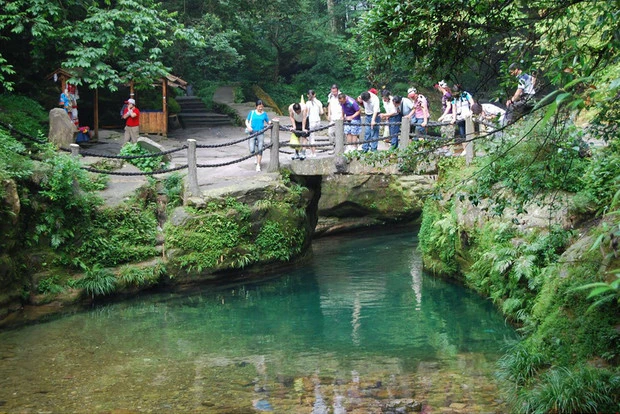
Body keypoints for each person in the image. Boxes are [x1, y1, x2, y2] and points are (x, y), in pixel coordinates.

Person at [246, 99, 271, 171]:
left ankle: (258, 165)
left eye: (262, 107)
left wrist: (271, 122)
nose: (261, 108)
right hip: (252, 132)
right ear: (256, 106)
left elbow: (268, 121)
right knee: (252, 150)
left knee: (260, 149)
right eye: (259, 107)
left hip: (261, 133)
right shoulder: (252, 113)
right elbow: (246, 121)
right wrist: (248, 126)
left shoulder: (264, 114)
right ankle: (257, 158)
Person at [305, 90, 323, 157]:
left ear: (307, 95)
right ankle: (312, 152)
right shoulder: (319, 102)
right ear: (315, 94)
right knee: (312, 136)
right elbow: (321, 112)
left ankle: (313, 153)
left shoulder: (307, 103)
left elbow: (306, 114)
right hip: (318, 121)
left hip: (311, 121)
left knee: (311, 137)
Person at [326, 84, 342, 154]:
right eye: (333, 92)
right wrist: (329, 114)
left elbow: (343, 105)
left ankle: (340, 148)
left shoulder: (341, 96)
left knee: (339, 133)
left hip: (339, 117)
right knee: (330, 132)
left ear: (337, 90)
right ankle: (334, 146)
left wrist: (342, 115)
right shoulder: (330, 95)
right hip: (333, 117)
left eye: (335, 92)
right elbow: (329, 104)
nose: (334, 93)